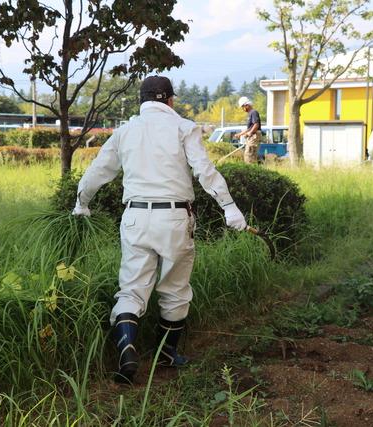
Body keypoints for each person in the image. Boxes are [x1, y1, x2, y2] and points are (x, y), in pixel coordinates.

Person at [72, 76, 247, 384]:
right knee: (174, 288)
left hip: (135, 217)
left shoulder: (125, 131)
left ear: (143, 100)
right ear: (169, 100)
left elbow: (99, 170)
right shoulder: (183, 128)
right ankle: (166, 354)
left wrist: (81, 202)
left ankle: (127, 348)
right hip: (174, 218)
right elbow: (204, 170)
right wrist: (229, 207)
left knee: (132, 287)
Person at [235, 97, 261, 164]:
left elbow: (256, 125)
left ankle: (251, 170)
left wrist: (250, 133)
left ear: (247, 105)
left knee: (250, 155)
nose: (243, 109)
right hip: (252, 135)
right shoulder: (250, 114)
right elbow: (249, 128)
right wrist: (240, 134)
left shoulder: (254, 112)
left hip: (254, 136)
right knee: (247, 155)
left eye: (243, 107)